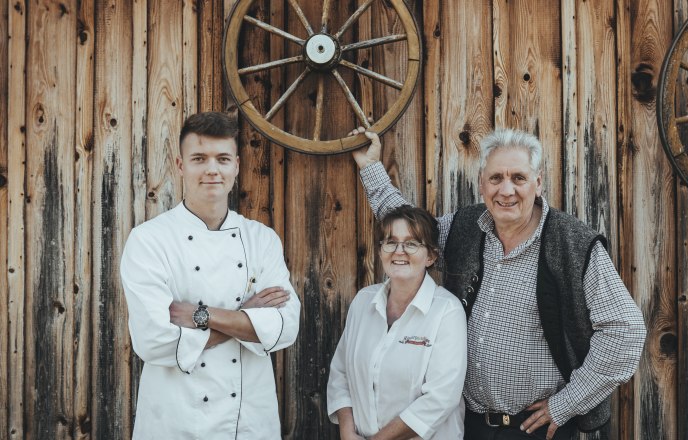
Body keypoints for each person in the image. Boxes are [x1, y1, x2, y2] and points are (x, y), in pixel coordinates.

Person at [350, 127, 646, 440]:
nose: (506, 190)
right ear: (481, 183)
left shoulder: (570, 243)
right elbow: (411, 235)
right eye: (496, 178)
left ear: (538, 182)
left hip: (534, 429)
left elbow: (625, 331)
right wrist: (370, 167)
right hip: (469, 425)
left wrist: (566, 403)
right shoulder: (466, 228)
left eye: (518, 177)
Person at [120, 112, 300, 439]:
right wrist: (250, 318)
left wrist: (202, 316)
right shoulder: (148, 240)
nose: (212, 169)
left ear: (237, 166)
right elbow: (154, 341)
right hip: (176, 422)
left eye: (223, 158)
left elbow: (286, 327)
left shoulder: (262, 239)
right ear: (180, 165)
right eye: (199, 158)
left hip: (248, 423)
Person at [327, 205, 468, 439]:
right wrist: (347, 431)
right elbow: (340, 374)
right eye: (390, 242)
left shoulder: (446, 311)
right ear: (381, 250)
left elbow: (441, 398)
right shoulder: (363, 302)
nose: (399, 251)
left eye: (411, 243)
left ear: (431, 256)